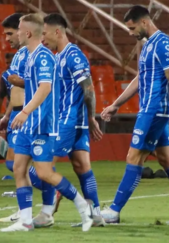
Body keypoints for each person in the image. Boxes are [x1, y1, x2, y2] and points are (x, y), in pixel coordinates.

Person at [100, 5, 169, 224]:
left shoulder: (163, 44)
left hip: (154, 111)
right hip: (151, 110)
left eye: (132, 27)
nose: (130, 33)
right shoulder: (147, 46)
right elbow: (140, 78)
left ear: (144, 22)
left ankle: (114, 211)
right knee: (167, 160)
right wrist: (116, 104)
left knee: (134, 157)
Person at [0, 13, 93, 232]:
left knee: (44, 173)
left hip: (42, 124)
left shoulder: (43, 57)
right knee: (19, 168)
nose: (17, 34)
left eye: (19, 30)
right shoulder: (30, 56)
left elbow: (45, 88)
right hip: (28, 124)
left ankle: (83, 207)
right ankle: (25, 221)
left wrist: (23, 112)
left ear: (28, 32)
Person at [39, 13, 104, 227]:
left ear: (57, 32)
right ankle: (95, 214)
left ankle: (48, 210)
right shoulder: (58, 57)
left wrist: (91, 117)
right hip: (75, 121)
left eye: (45, 33)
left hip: (68, 121)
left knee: (43, 168)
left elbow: (88, 89)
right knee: (82, 166)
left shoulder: (73, 55)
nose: (43, 38)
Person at [0, 14, 45, 223]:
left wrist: (19, 82)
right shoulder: (18, 55)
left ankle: (53, 188)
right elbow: (14, 91)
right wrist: (7, 116)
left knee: (20, 165)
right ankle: (25, 209)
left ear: (22, 30)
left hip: (30, 114)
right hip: (17, 113)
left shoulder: (32, 54)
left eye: (10, 33)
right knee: (16, 166)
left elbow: (40, 84)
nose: (7, 38)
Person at [0, 53, 14, 120]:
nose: (9, 65)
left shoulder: (24, 73)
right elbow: (1, 94)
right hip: (10, 108)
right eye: (7, 63)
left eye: (11, 62)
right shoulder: (5, 75)